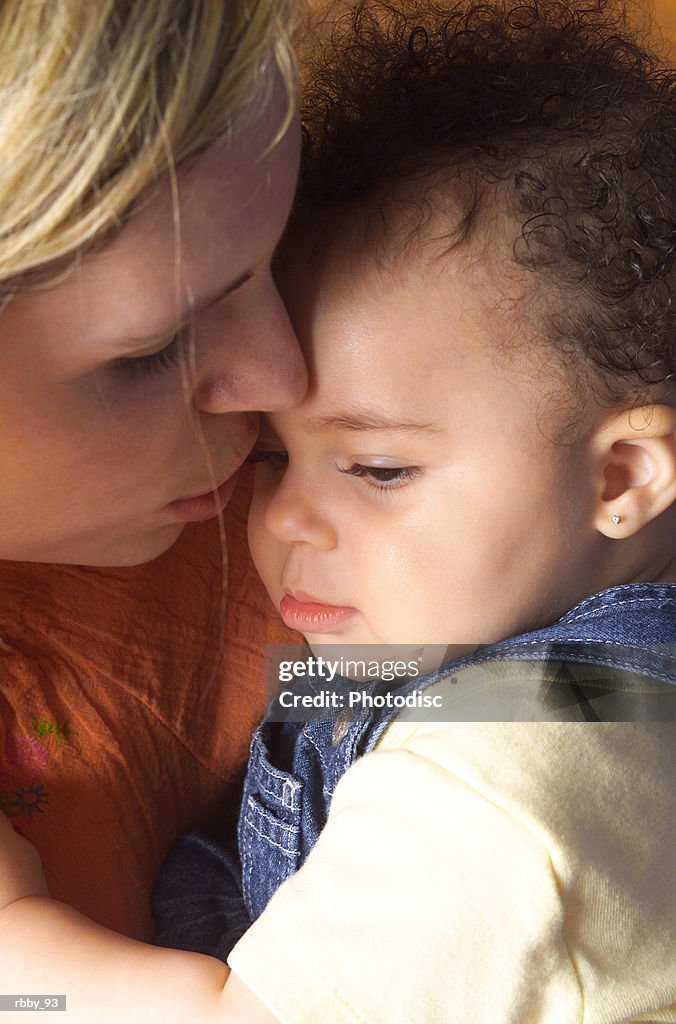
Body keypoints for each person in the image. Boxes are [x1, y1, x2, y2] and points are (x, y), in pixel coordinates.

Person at [2, 0, 675, 1021]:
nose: (273, 520)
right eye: (277, 455)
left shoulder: (508, 781)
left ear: (624, 476)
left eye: (376, 468)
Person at [0, 0, 305, 958]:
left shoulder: (288, 501)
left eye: (279, 262)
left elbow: (591, 686)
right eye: (157, 348)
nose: (286, 379)